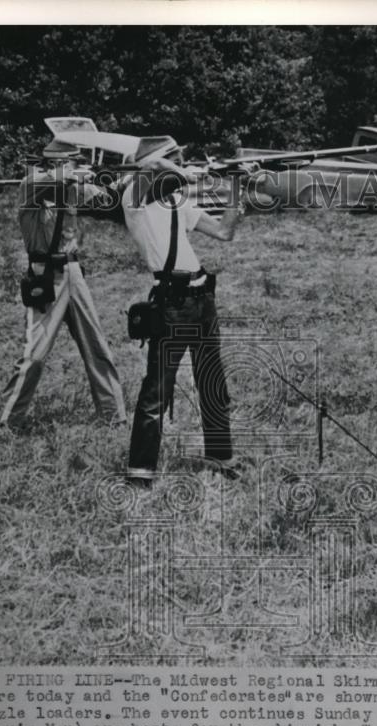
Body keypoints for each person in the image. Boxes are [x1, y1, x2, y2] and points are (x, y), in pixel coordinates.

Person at [122, 138, 252, 485]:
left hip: (202, 300)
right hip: (172, 305)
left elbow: (224, 233)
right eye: (174, 159)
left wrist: (237, 184)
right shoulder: (134, 199)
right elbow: (148, 168)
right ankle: (140, 472)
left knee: (212, 382)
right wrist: (188, 173)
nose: (180, 163)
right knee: (157, 391)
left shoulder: (174, 203)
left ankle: (220, 456)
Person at [0, 160, 126, 427]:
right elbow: (51, 179)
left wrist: (110, 179)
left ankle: (114, 416)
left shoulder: (71, 190)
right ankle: (9, 420)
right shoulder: (31, 187)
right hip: (46, 275)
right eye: (66, 161)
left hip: (73, 272)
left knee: (96, 345)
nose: (70, 166)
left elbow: (108, 199)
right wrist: (77, 173)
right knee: (34, 356)